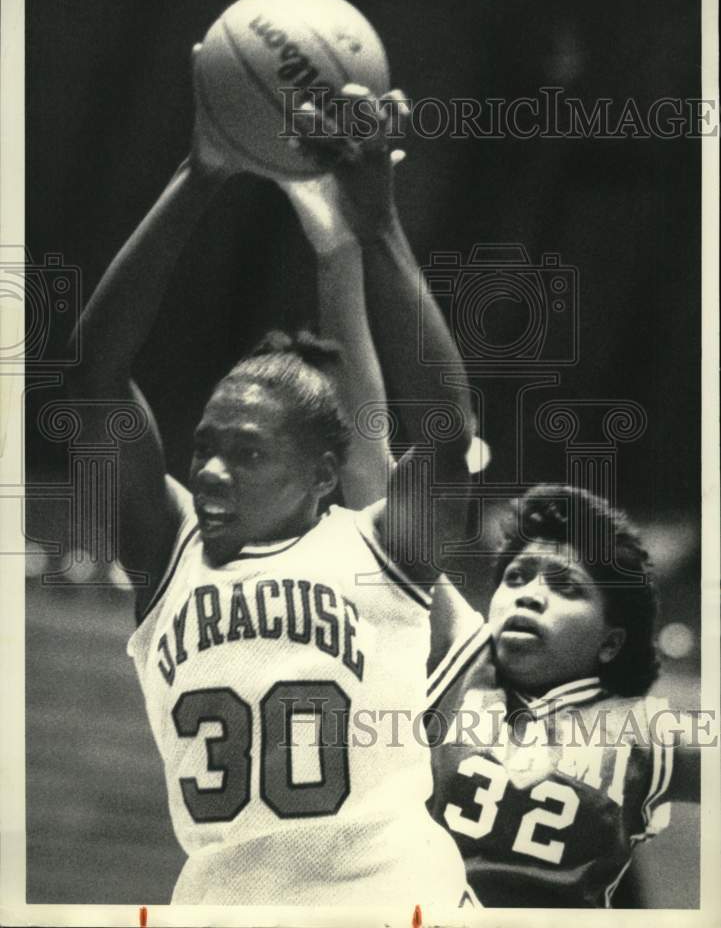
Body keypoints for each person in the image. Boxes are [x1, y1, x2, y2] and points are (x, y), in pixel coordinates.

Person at [66, 49, 476, 907]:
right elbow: (95, 375)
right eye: (204, 445)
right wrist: (200, 170)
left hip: (392, 899)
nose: (210, 469)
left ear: (324, 474)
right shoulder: (167, 556)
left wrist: (378, 226)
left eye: (246, 453)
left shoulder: (384, 550)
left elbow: (444, 429)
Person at [302, 132, 702, 908]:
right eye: (517, 576)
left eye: (563, 585)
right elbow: (363, 450)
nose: (526, 593)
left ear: (614, 637)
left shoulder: (649, 733)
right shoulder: (456, 656)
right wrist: (341, 249)